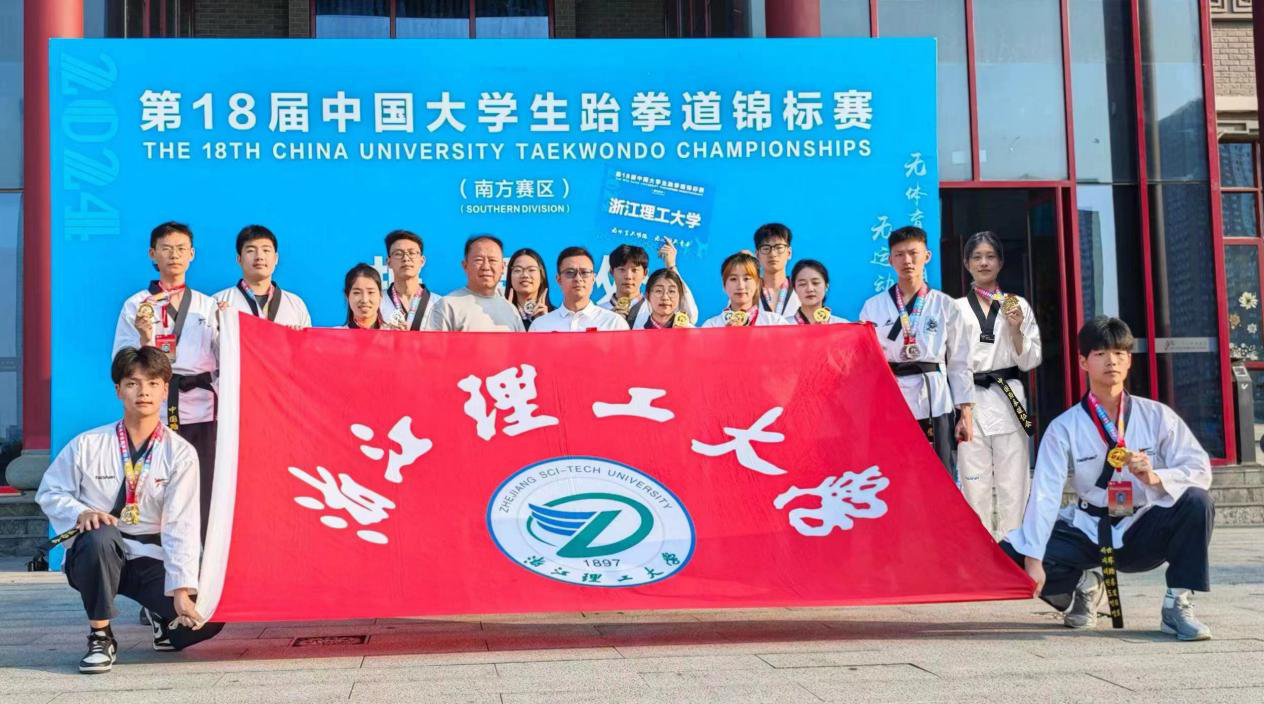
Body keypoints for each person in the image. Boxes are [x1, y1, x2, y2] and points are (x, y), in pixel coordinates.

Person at [1002, 318, 1214, 640]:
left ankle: (1178, 603)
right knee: (1011, 554)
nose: (1111, 361)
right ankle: (1085, 586)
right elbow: (1045, 492)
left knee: (1197, 500)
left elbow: (1199, 469)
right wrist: (1033, 558)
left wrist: (1155, 477)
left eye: (1118, 353)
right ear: (1083, 362)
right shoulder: (1064, 427)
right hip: (1089, 527)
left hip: (1141, 527)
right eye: (1100, 354)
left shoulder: (1157, 416)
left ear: (1129, 360)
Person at [35, 347, 224, 674]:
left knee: (209, 617)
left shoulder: (179, 453)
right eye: (133, 383)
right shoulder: (88, 444)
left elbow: (181, 524)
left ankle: (161, 619)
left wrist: (181, 590)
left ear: (165, 390)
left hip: (151, 556)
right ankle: (100, 636)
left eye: (152, 383)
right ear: (118, 390)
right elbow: (50, 491)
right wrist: (80, 512)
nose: (143, 392)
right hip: (97, 554)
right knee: (100, 536)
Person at [111, 222, 219, 541]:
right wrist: (145, 338)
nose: (174, 255)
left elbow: (225, 358)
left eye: (181, 249)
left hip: (202, 409)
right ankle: (153, 551)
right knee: (155, 481)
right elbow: (121, 363)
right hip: (155, 408)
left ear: (192, 254)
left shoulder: (208, 305)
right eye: (167, 248)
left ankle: (202, 554)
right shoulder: (137, 305)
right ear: (152, 254)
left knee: (204, 483)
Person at [858, 226, 973, 476]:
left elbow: (960, 361)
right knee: (894, 473)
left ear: (927, 256)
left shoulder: (945, 305)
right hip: (892, 397)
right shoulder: (873, 307)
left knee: (938, 472)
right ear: (890, 260)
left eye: (913, 253)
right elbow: (865, 361)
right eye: (899, 255)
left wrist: (965, 411)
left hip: (934, 397)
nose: (907, 261)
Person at [954, 232, 1042, 540]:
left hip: (1008, 398)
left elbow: (1030, 360)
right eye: (977, 257)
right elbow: (952, 362)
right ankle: (980, 551)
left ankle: (1013, 547)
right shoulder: (956, 309)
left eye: (990, 256)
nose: (984, 262)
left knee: (1013, 481)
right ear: (967, 264)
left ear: (1000, 263)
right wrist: (961, 408)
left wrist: (1016, 329)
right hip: (970, 401)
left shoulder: (1017, 305)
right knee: (973, 480)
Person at [213, 225, 312, 328]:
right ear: (239, 259)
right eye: (251, 250)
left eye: (266, 250)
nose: (259, 257)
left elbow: (309, 338)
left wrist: (296, 336)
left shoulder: (296, 305)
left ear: (276, 258)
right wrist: (220, 326)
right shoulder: (218, 302)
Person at [428, 235, 525, 332]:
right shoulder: (447, 305)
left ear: (503, 267)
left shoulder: (510, 310)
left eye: (492, 260)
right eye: (479, 260)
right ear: (465, 265)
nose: (486, 267)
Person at [529, 246, 630, 332]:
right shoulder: (540, 326)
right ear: (559, 279)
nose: (578, 278)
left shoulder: (613, 323)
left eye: (585, 272)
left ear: (593, 278)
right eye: (570, 272)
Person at [600, 241, 699, 327]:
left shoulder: (656, 308)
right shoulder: (600, 312)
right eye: (622, 270)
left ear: (645, 273)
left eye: (634, 270)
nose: (628, 276)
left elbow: (690, 316)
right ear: (611, 272)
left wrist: (671, 267)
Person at [701, 252, 793, 327]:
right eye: (733, 279)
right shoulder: (711, 326)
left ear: (757, 283)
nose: (741, 286)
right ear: (724, 285)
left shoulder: (774, 322)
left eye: (746, 279)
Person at [379, 229, 443, 330]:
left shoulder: (440, 304)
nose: (406, 258)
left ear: (422, 261)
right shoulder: (377, 302)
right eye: (398, 253)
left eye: (412, 253)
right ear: (388, 262)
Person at [754, 223, 800, 319]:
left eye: (779, 247)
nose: (773, 254)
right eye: (766, 248)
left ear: (789, 253)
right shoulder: (747, 292)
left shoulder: (801, 290)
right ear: (757, 255)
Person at [504, 248, 553, 331]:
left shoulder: (556, 316)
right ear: (510, 276)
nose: (525, 275)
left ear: (542, 276)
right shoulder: (499, 316)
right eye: (518, 270)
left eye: (531, 270)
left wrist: (544, 323)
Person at [790, 259, 848, 324]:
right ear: (795, 288)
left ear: (826, 286)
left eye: (815, 283)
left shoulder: (842, 325)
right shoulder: (784, 324)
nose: (810, 289)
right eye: (802, 284)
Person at [342, 263, 392, 330]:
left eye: (371, 292)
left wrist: (402, 335)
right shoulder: (335, 335)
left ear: (380, 295)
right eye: (357, 293)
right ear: (347, 295)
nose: (364, 300)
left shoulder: (392, 333)